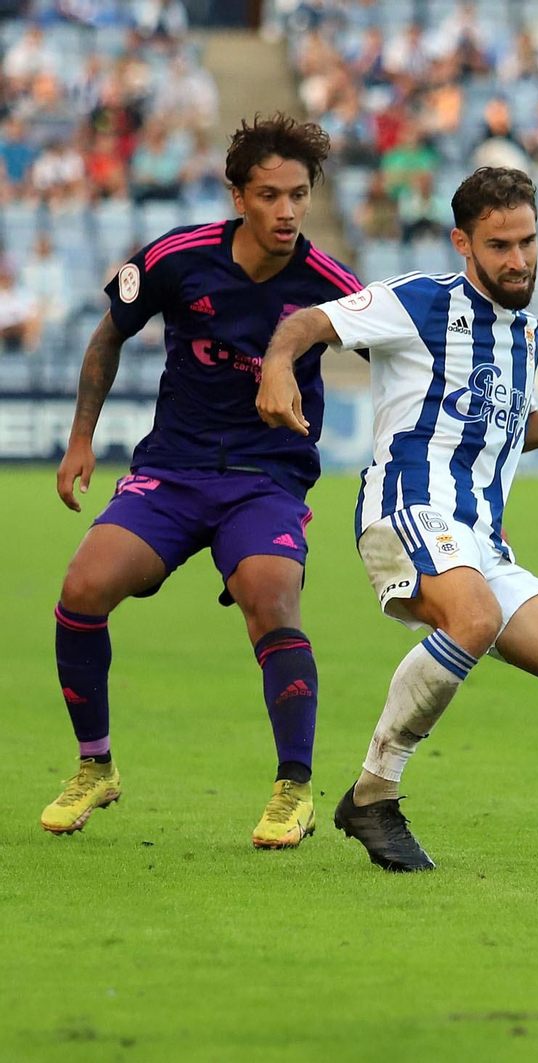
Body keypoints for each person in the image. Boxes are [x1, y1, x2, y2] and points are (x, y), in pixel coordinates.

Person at [255, 167, 538, 875]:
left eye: (528, 241)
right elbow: (307, 321)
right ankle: (373, 793)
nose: (519, 259)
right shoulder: (419, 300)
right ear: (462, 243)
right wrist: (279, 365)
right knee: (469, 618)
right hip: (407, 508)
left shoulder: (525, 335)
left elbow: (506, 433)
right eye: (500, 245)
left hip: (481, 539)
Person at [42, 115, 362, 848]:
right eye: (270, 194)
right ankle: (96, 766)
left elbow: (399, 363)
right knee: (82, 588)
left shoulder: (334, 288)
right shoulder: (177, 257)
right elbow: (109, 332)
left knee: (271, 596)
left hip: (267, 480)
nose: (287, 211)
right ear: (237, 195)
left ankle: (294, 788)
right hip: (173, 471)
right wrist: (82, 439)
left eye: (299, 194)